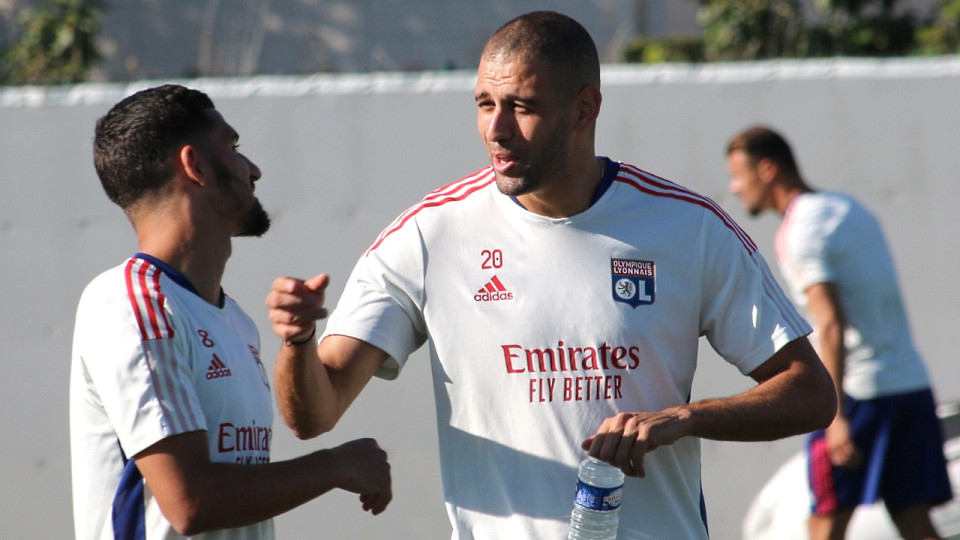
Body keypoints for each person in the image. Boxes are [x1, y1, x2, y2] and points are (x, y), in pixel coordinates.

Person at [267, 12, 836, 539]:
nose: (497, 128)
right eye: (484, 103)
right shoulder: (428, 236)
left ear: (585, 109)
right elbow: (314, 414)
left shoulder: (688, 227)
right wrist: (298, 343)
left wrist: (682, 419)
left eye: (522, 106)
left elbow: (809, 394)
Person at [69, 84, 392, 540]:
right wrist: (336, 466)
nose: (254, 170)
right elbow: (190, 502)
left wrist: (300, 342)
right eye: (234, 147)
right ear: (195, 166)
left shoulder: (235, 320)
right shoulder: (130, 304)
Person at [726, 125, 952, 540]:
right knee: (915, 522)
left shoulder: (802, 230)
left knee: (825, 524)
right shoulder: (848, 208)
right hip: (908, 386)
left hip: (857, 396)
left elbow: (830, 321)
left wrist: (834, 415)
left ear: (768, 170)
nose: (734, 187)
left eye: (739, 176)